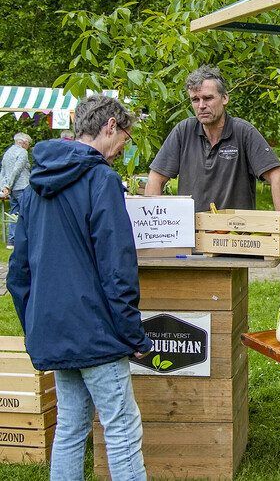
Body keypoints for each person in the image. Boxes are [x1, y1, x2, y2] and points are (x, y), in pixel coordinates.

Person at [7, 95, 152, 481]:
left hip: (52, 326)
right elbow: (117, 266)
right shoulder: (101, 179)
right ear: (108, 126)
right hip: (96, 330)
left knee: (71, 426)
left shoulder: (36, 184)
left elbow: (17, 272)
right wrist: (132, 332)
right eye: (125, 135)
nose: (125, 145)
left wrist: (37, 324)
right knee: (121, 426)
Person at [145, 65, 280, 212]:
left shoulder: (243, 132)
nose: (201, 105)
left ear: (225, 98)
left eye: (208, 98)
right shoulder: (183, 131)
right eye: (195, 99)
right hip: (190, 231)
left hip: (235, 230)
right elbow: (155, 179)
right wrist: (156, 226)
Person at [0, 132, 32, 249]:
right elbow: (16, 170)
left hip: (12, 189)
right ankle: (27, 239)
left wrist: (4, 187)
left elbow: (3, 172)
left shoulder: (7, 153)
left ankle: (11, 241)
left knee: (14, 213)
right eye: (28, 143)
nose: (28, 146)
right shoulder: (22, 152)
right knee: (27, 213)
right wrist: (8, 185)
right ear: (23, 142)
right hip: (22, 187)